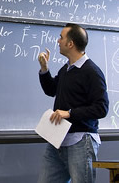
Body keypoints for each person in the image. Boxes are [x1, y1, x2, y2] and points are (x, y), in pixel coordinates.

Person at [37, 23, 109, 183]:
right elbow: (51, 90)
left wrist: (70, 113)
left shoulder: (92, 72)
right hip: (58, 140)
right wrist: (44, 69)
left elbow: (101, 108)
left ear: (71, 44)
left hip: (81, 141)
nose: (58, 41)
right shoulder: (67, 69)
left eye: (61, 38)